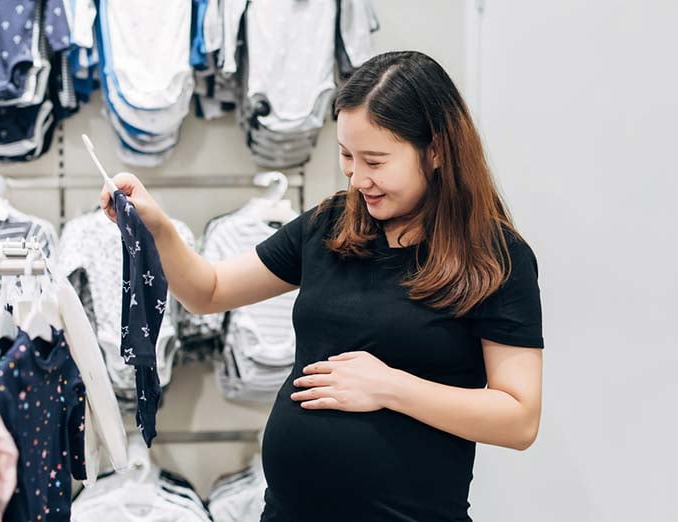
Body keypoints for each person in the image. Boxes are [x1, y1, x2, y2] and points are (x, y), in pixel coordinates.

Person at [100, 51, 544, 522]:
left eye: (375, 160)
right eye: (347, 156)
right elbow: (207, 292)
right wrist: (157, 226)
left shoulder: (494, 257)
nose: (357, 178)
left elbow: (518, 419)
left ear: (435, 151)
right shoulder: (331, 224)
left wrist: (390, 388)